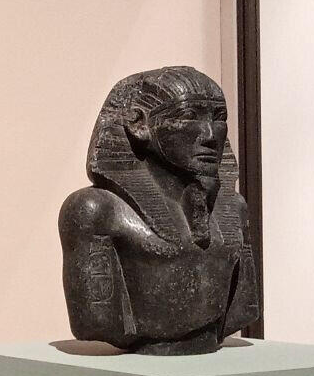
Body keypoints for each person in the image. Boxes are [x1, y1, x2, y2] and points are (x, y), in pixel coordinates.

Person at [59, 66, 259, 355]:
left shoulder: (234, 209)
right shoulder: (97, 210)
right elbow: (96, 321)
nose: (209, 134)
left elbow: (243, 309)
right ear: (139, 125)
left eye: (218, 118)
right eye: (189, 116)